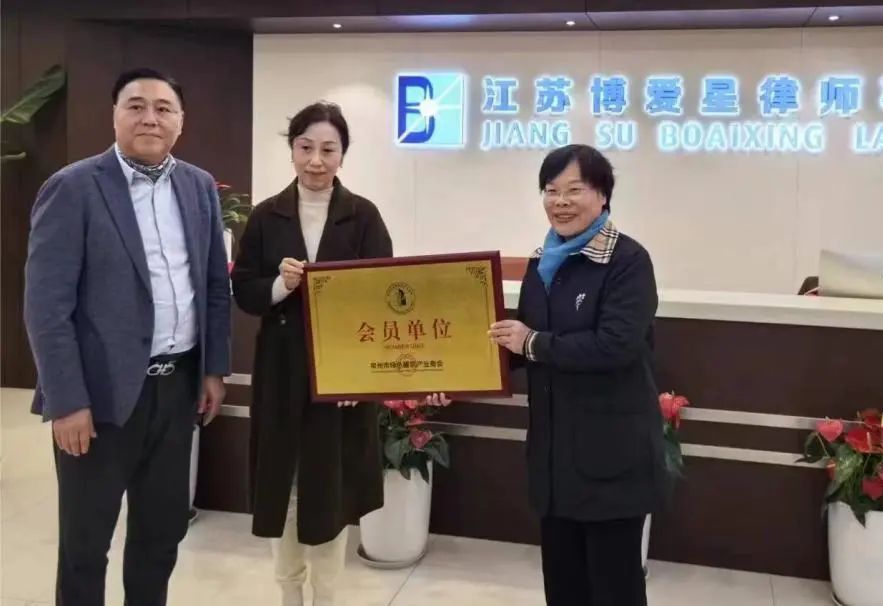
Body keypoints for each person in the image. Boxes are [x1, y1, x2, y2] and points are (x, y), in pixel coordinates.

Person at [23, 68, 230, 606]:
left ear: (180, 122)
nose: (150, 118)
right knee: (85, 543)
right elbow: (47, 308)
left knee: (161, 533)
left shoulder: (198, 187)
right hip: (97, 398)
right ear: (114, 115)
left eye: (163, 108)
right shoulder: (73, 188)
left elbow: (213, 285)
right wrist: (67, 401)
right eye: (136, 106)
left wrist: (213, 369)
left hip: (177, 387)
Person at [231, 102, 447, 606]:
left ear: (343, 154)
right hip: (281, 373)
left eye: (328, 149)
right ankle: (289, 593)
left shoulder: (363, 215)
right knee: (283, 487)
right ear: (292, 149)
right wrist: (280, 286)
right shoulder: (266, 216)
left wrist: (358, 377)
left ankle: (326, 596)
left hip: (342, 384)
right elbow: (244, 291)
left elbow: (385, 298)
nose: (316, 160)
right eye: (305, 147)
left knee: (330, 494)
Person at [489, 144, 669, 606]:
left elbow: (615, 345)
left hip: (611, 460)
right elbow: (528, 345)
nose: (560, 202)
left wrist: (531, 343)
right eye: (551, 191)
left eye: (574, 190)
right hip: (554, 461)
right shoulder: (541, 262)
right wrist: (458, 373)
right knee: (564, 587)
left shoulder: (627, 261)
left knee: (614, 589)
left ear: (603, 195)